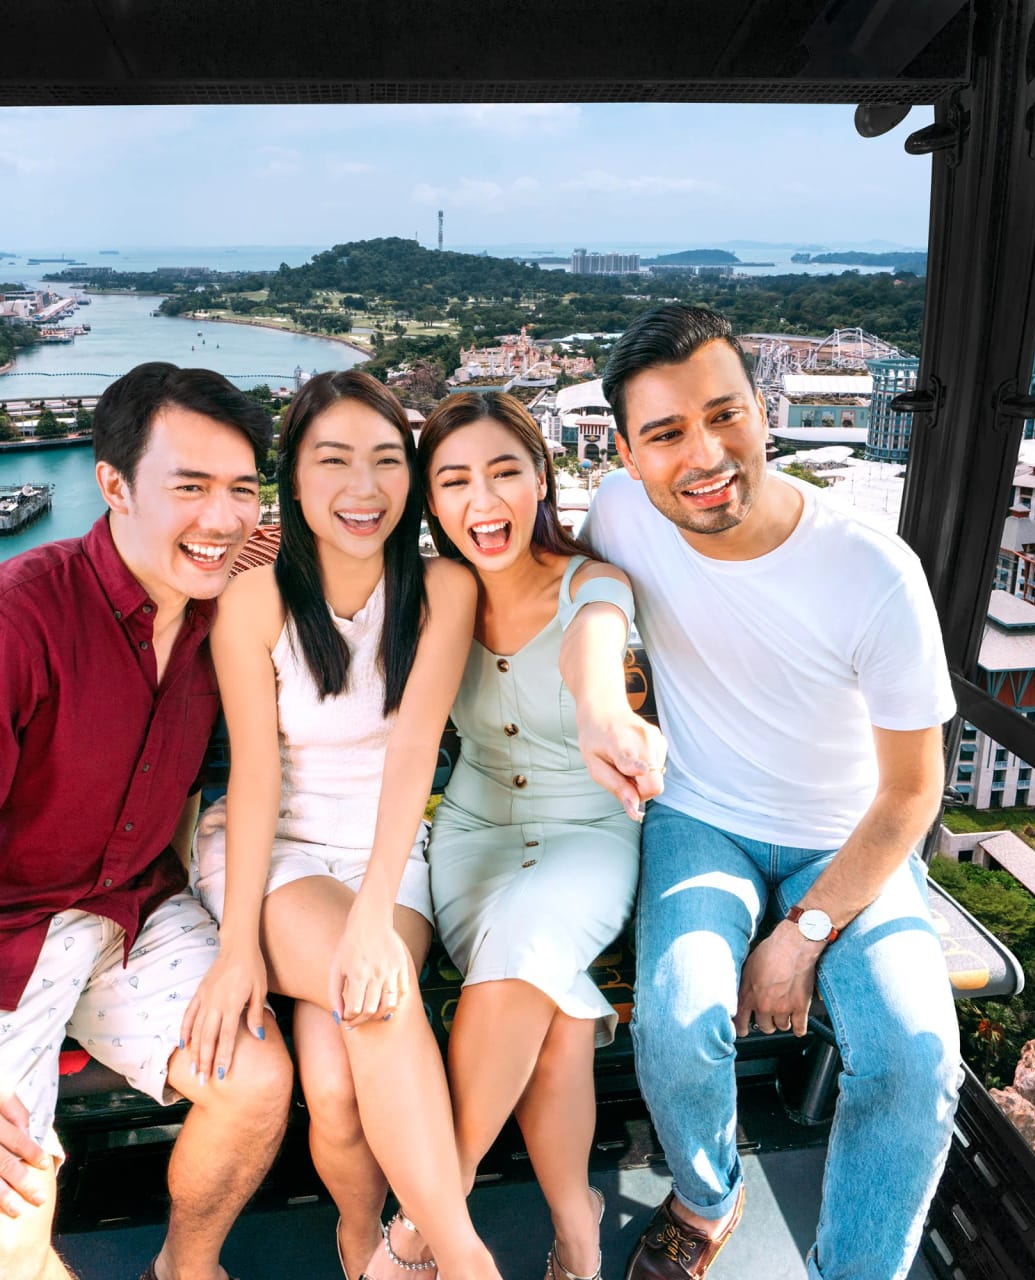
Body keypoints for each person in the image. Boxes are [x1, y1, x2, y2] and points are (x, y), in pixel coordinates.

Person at [0, 363, 294, 1280]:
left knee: (255, 1086)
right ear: (114, 484)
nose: (222, 515)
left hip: (131, 905)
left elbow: (316, 539)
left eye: (242, 489)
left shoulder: (218, 606)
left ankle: (187, 1267)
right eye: (190, 485)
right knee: (0, 1220)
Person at [582, 305, 962, 1280]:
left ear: (767, 411)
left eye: (726, 415)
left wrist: (805, 932)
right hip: (702, 816)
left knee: (916, 1058)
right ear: (626, 453)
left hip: (853, 838)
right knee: (675, 1014)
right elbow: (561, 584)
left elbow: (915, 790)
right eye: (666, 432)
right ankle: (709, 1195)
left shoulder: (872, 572)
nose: (704, 454)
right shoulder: (621, 514)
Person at [184, 370, 502, 1280]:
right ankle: (463, 1257)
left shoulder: (444, 590)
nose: (363, 490)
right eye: (333, 462)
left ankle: (362, 1247)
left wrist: (370, 914)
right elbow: (252, 776)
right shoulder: (254, 604)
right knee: (384, 999)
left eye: (385, 462)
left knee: (335, 1087)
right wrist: (239, 942)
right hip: (276, 854)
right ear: (293, 479)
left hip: (390, 853)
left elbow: (413, 758)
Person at [379, 391, 664, 1280]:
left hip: (586, 835)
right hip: (470, 834)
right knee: (558, 1014)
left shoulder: (592, 583)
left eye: (505, 472)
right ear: (431, 501)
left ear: (541, 479)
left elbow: (596, 654)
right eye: (454, 480)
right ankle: (576, 1226)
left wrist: (607, 718)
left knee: (528, 950)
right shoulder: (436, 596)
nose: (483, 501)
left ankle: (427, 1224)